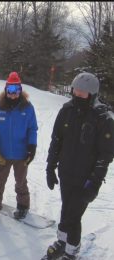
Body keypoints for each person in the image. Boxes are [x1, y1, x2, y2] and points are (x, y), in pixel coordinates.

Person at [44, 72, 114, 260]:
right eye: (75, 90)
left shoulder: (103, 118)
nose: (77, 95)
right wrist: (50, 167)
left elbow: (105, 155)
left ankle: (71, 251)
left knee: (73, 215)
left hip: (85, 178)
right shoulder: (66, 110)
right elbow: (56, 141)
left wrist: (94, 182)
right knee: (66, 209)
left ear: (92, 95)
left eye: (82, 93)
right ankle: (62, 241)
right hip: (66, 172)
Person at [0, 71, 38, 223]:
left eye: (16, 90)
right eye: (10, 91)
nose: (13, 94)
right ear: (6, 90)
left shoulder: (27, 108)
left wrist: (32, 146)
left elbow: (32, 128)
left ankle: (23, 205)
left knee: (21, 182)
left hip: (21, 154)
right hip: (3, 154)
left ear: (20, 91)